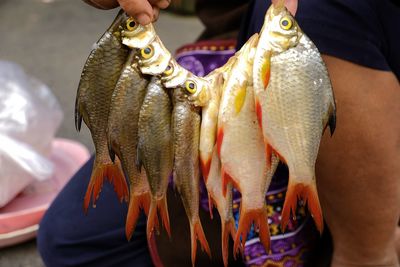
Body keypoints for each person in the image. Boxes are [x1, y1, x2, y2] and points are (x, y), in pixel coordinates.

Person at [37, 0, 400, 266]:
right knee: (73, 241)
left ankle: (371, 250)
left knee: (315, 14)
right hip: (240, 47)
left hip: (345, 44)